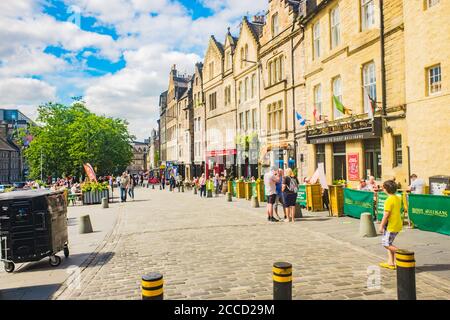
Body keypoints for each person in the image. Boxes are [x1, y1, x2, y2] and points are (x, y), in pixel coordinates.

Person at [379, 180, 403, 270]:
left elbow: (386, 215)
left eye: (383, 187)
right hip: (397, 224)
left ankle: (403, 253)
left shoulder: (388, 200)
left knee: (385, 244)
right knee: (389, 243)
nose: (382, 189)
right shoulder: (397, 198)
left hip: (391, 226)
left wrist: (381, 225)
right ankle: (391, 263)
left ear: (386, 189)